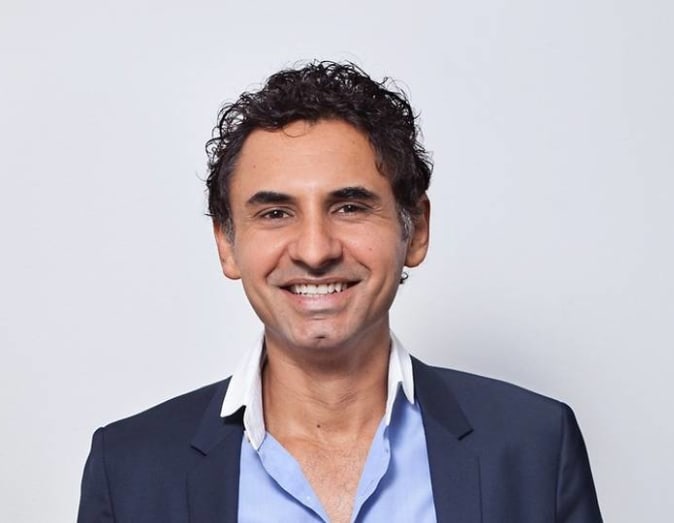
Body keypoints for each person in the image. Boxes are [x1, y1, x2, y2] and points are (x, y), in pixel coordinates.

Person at [78, 61, 602, 523]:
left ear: (416, 229)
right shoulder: (129, 469)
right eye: (275, 213)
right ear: (227, 245)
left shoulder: (534, 445)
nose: (314, 250)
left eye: (349, 207)